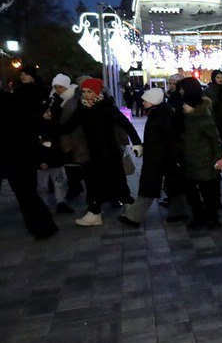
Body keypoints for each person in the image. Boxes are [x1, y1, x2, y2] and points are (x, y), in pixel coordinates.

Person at [56, 78, 142, 226]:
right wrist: (48, 133)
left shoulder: (107, 107)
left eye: (89, 91)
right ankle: (95, 212)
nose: (86, 95)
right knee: (94, 184)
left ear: (97, 92)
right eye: (84, 92)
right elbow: (68, 126)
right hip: (93, 154)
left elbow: (125, 124)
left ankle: (129, 208)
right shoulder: (82, 108)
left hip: (110, 153)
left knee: (116, 184)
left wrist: (137, 142)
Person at [118, 88, 187, 228]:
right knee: (172, 186)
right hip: (161, 156)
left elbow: (167, 140)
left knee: (149, 187)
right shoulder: (159, 113)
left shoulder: (160, 116)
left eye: (146, 101)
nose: (143, 103)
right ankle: (178, 213)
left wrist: (176, 158)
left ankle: (134, 217)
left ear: (154, 101)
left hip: (158, 158)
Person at [0, 82, 59, 239]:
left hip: (15, 154)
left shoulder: (8, 101)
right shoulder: (11, 100)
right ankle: (39, 223)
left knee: (25, 193)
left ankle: (43, 225)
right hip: (21, 153)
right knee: (25, 192)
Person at [182, 84, 222, 229]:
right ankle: (200, 216)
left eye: (185, 104)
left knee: (207, 193)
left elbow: (215, 140)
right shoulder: (189, 117)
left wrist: (219, 159)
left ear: (192, 104)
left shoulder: (203, 118)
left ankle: (212, 219)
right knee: (193, 192)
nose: (183, 106)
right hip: (192, 161)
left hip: (204, 162)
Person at [37, 74, 75, 214]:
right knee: (43, 183)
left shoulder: (65, 102)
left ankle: (61, 202)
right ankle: (44, 205)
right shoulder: (50, 101)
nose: (58, 89)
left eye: (61, 87)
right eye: (56, 87)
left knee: (59, 179)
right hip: (44, 145)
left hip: (56, 145)